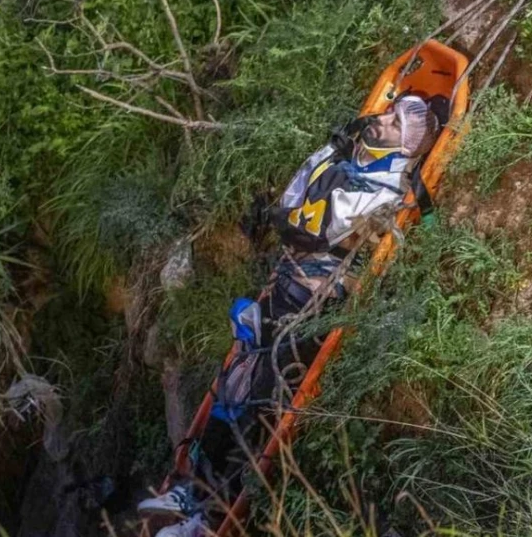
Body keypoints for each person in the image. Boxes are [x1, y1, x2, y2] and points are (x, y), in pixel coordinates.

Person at [136, 95, 439, 537]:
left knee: (262, 397)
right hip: (287, 284)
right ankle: (192, 493)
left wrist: (310, 188)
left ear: (406, 146)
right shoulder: (353, 154)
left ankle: (209, 515)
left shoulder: (385, 186)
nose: (383, 120)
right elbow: (293, 196)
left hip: (313, 300)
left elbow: (309, 225)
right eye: (389, 112)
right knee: (237, 384)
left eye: (395, 123)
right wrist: (330, 161)